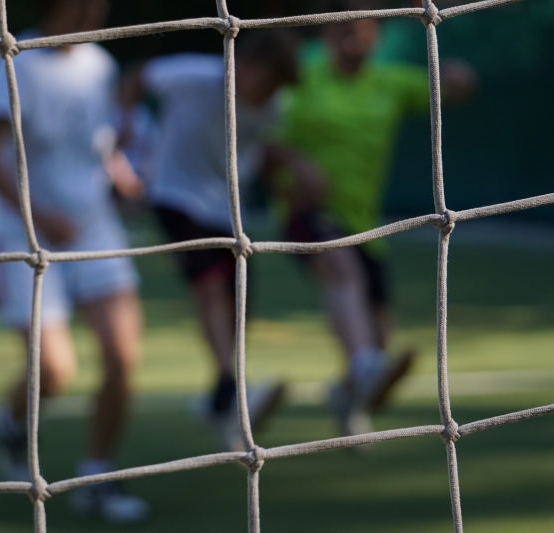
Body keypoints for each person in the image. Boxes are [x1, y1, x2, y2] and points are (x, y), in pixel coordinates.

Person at [121, 28, 411, 443]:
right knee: (210, 286)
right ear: (246, 65)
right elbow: (136, 77)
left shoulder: (273, 106)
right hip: (175, 194)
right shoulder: (195, 75)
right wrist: (125, 130)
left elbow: (261, 154)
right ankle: (230, 388)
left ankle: (219, 401)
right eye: (268, 81)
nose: (270, 93)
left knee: (239, 296)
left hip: (224, 206)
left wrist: (293, 179)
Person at [0, 0, 149, 525]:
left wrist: (123, 178)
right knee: (55, 370)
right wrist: (39, 214)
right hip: (25, 233)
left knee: (123, 357)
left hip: (94, 227)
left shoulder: (100, 65)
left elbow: (97, 146)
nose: (92, 12)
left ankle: (97, 477)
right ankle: (8, 420)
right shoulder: (17, 60)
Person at [275, 0, 476, 434]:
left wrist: (459, 77)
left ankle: (345, 391)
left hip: (365, 222)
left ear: (376, 37)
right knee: (342, 271)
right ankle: (365, 368)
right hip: (303, 211)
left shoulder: (390, 82)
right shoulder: (300, 76)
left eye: (363, 32)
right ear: (327, 33)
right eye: (344, 32)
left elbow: (450, 90)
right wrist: (295, 164)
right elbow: (260, 136)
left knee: (380, 331)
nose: (354, 41)